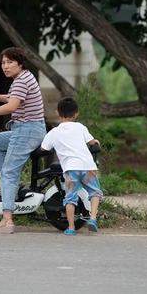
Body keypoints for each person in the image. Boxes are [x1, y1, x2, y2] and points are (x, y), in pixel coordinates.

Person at [0, 47, 46, 234]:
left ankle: (7, 220)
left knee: (9, 172)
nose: (5, 67)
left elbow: (12, 105)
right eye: (3, 63)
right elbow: (13, 97)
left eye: (9, 62)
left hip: (27, 131)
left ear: (20, 63)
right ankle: (4, 186)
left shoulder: (21, 81)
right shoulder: (23, 78)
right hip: (28, 129)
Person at [40, 97, 103, 235]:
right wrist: (95, 141)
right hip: (88, 167)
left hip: (71, 169)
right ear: (76, 114)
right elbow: (92, 142)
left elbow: (44, 148)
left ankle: (71, 228)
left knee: (70, 198)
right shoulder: (81, 127)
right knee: (95, 193)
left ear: (58, 112)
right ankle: (92, 218)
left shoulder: (54, 132)